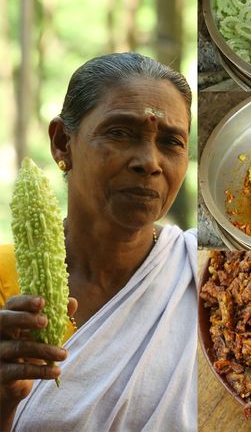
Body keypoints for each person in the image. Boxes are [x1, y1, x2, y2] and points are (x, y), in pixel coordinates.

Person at [0, 53, 197, 432]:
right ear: (62, 144)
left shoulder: (196, 273)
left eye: (171, 141)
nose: (149, 162)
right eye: (120, 133)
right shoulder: (5, 279)